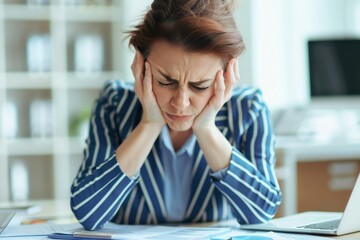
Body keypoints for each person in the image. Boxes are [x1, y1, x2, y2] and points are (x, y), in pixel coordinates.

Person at [70, 0, 282, 230]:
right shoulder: (115, 105)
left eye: (200, 86)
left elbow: (261, 213)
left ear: (227, 76)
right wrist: (149, 124)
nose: (180, 103)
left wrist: (206, 128)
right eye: (165, 81)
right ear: (140, 66)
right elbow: (88, 213)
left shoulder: (248, 109)